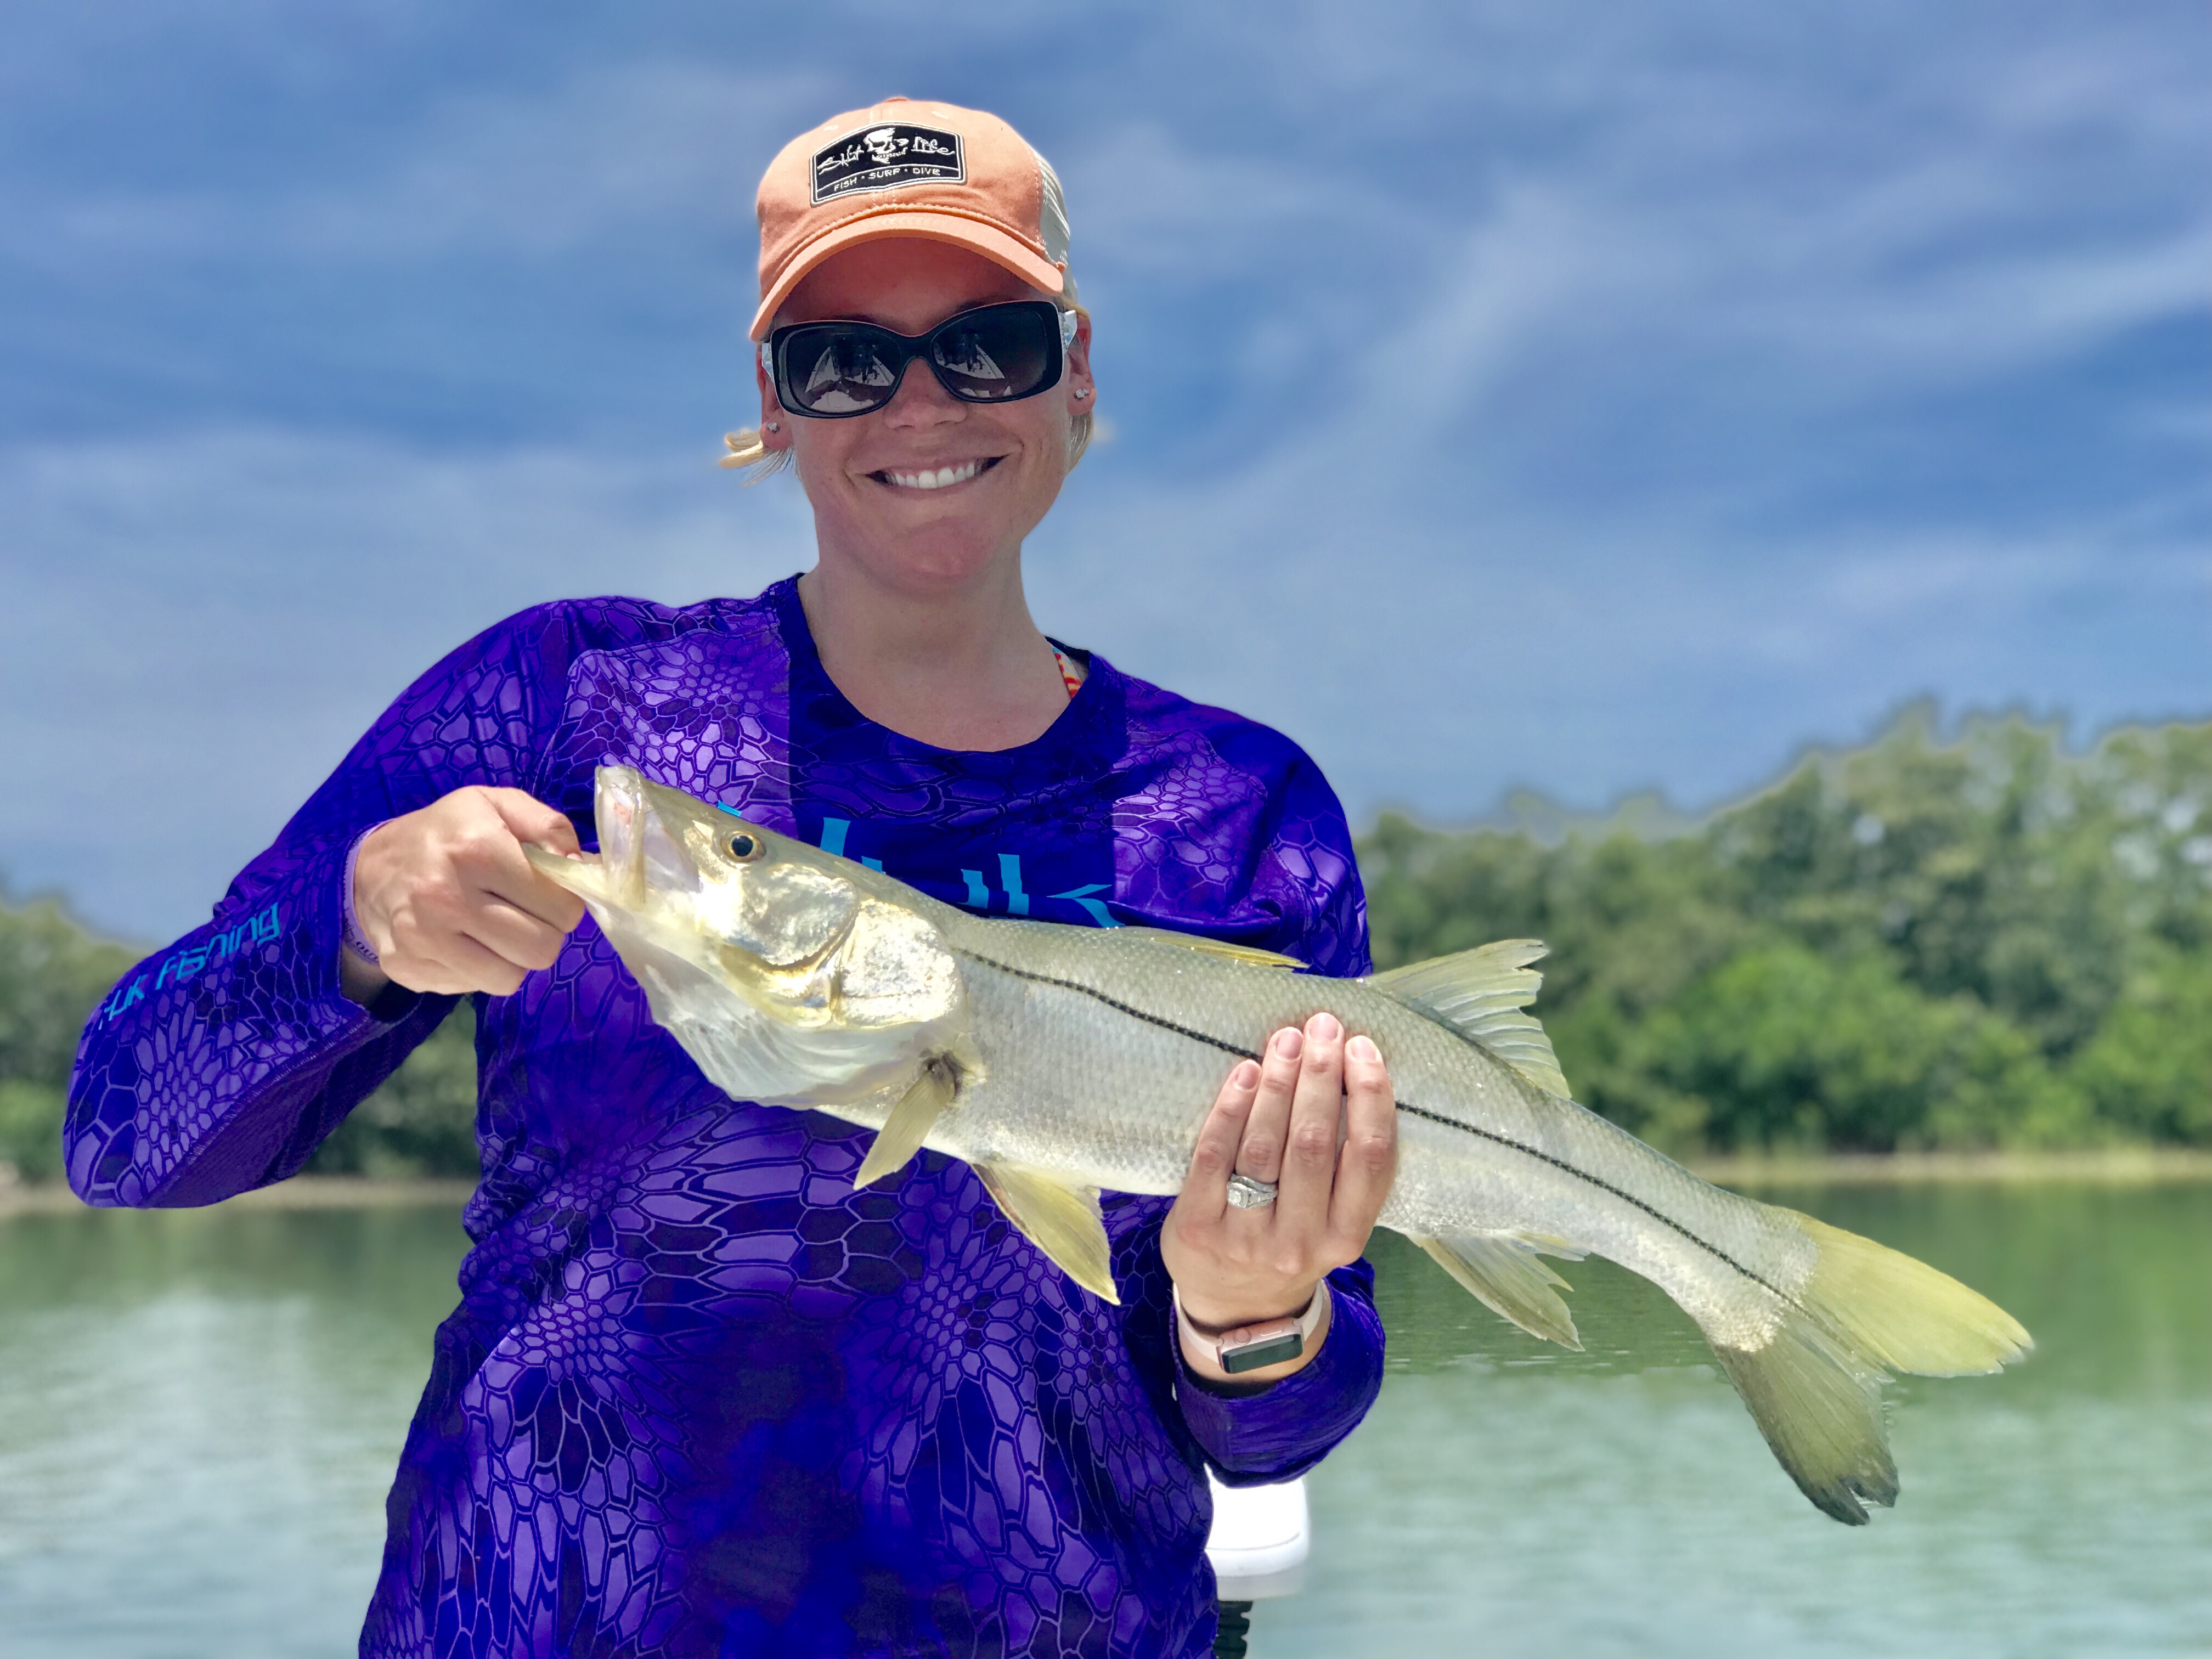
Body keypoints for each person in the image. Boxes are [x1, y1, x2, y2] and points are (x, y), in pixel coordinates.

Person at [66, 97, 1397, 1659]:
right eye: (842, 356)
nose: (919, 402)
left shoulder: (1238, 812)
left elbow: (1271, 1433)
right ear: (774, 404)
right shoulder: (574, 704)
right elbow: (124, 1139)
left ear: (1076, 371)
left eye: (987, 342)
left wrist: (1251, 1316)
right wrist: (348, 927)